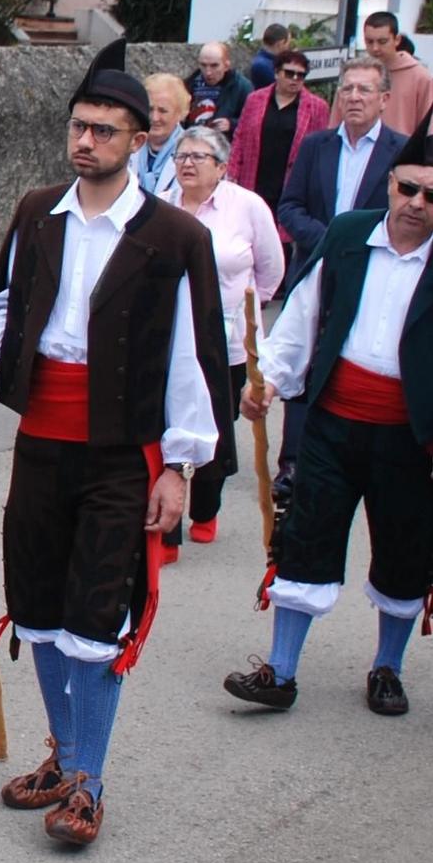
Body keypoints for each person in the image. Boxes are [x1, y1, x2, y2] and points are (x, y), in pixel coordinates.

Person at [0, 39, 225, 848]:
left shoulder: (175, 237)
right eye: (79, 127)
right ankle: (65, 756)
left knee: (98, 612)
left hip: (122, 449)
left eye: (106, 131)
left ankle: (90, 784)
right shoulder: (39, 212)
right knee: (36, 603)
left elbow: (193, 356)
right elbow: (8, 302)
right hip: (41, 438)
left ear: (140, 142)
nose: (87, 142)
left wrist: (179, 466)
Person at [225, 113, 433, 718]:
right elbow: (303, 312)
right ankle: (280, 672)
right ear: (390, 185)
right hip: (331, 423)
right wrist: (270, 379)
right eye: (407, 188)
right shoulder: (350, 234)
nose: (415, 203)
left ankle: (387, 667)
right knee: (304, 541)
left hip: (414, 438)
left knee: (407, 552)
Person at [272, 57, 408, 496]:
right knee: (301, 360)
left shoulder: (400, 153)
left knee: (345, 359)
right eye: (347, 89)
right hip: (314, 265)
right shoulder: (316, 146)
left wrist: (353, 244)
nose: (353, 97)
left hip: (369, 274)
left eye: (364, 90)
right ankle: (292, 463)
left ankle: (346, 455)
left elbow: (402, 219)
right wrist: (329, 240)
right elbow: (289, 206)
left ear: (384, 99)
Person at [162, 126, 285, 549]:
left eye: (200, 157)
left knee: (215, 424)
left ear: (222, 167)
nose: (188, 163)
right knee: (170, 424)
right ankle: (166, 526)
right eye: (182, 156)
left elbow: (270, 270)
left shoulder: (247, 207)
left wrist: (240, 315)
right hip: (171, 339)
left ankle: (205, 510)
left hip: (228, 342)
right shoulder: (161, 207)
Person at [228, 48, 329, 284]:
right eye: (289, 73)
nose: (295, 79)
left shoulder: (316, 106)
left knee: (283, 230)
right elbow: (240, 136)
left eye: (300, 75)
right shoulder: (256, 99)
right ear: (276, 73)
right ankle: (251, 276)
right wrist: (233, 170)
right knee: (253, 226)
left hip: (291, 177)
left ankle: (279, 281)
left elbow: (319, 148)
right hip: (256, 172)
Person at [348, 12, 433, 132]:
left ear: (397, 40)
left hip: (402, 149)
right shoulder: (354, 74)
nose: (375, 48)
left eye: (382, 41)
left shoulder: (420, 77)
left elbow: (426, 128)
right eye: (369, 42)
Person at [130, 73, 189, 197]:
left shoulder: (191, 152)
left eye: (163, 111)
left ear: (180, 113)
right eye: (150, 109)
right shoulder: (127, 143)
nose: (154, 117)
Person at [185, 42, 253, 136]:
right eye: (203, 65)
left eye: (214, 66)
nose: (208, 72)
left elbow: (254, 121)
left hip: (224, 144)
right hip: (193, 141)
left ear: (226, 66)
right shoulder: (190, 84)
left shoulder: (242, 87)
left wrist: (232, 124)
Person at [250, 25, 291, 91]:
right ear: (281, 43)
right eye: (288, 44)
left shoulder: (265, 61)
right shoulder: (262, 65)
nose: (288, 47)